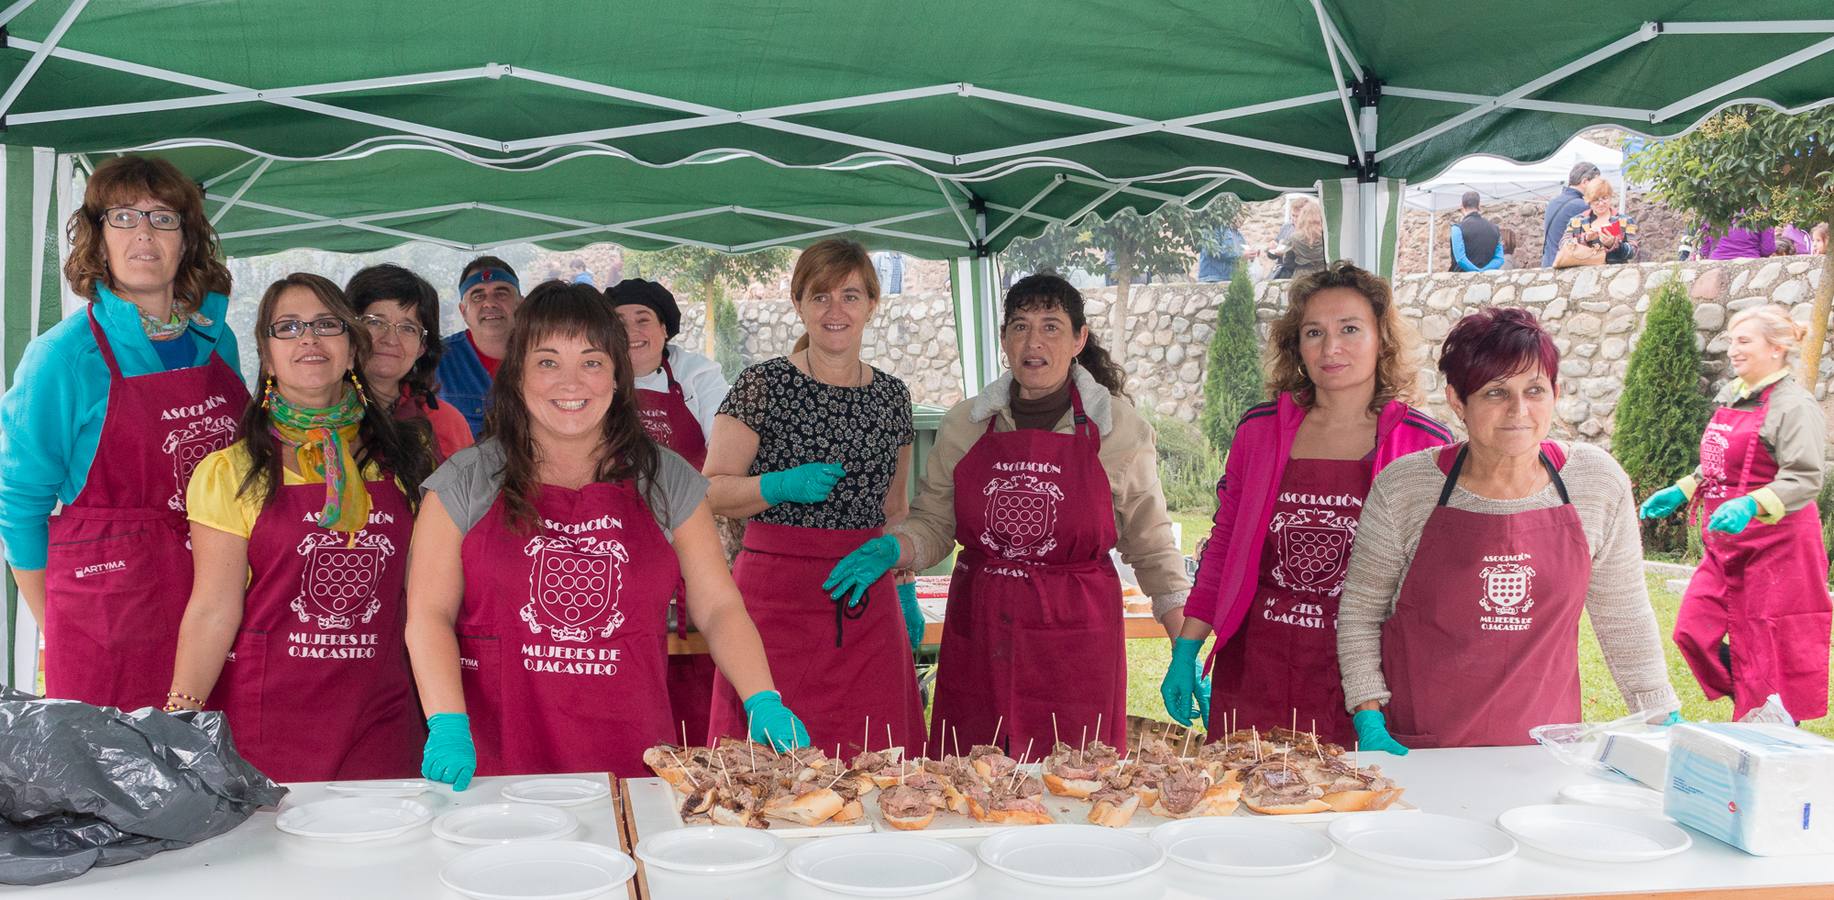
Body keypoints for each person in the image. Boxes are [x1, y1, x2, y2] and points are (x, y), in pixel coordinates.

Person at [405, 282, 805, 786]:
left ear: (617, 375)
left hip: (630, 755)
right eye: (548, 362)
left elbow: (718, 605)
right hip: (494, 759)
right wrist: (446, 723)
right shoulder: (463, 481)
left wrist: (762, 698)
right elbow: (427, 614)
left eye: (591, 362)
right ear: (518, 376)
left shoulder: (668, 478)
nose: (571, 383)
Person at [831, 274, 1191, 752]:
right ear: (1003, 340)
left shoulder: (1117, 429)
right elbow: (935, 524)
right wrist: (896, 547)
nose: (1033, 342)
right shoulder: (967, 423)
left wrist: (1182, 647)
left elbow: (1152, 546)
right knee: (973, 779)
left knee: (1075, 781)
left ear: (1079, 339)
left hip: (1075, 639)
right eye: (1020, 327)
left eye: (1051, 326)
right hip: (982, 633)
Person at [1338, 307, 1677, 752]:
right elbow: (1361, 613)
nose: (1519, 410)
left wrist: (1661, 714)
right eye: (1496, 393)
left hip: (1542, 748)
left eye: (1534, 390)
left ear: (1556, 393)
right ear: (1458, 401)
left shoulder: (1595, 483)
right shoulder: (1406, 487)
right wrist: (1368, 714)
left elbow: (1624, 615)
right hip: (1423, 747)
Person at [1161, 262, 1453, 745]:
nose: (1330, 347)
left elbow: (1434, 584)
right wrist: (1187, 650)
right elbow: (1225, 546)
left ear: (1382, 339)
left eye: (1350, 329)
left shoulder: (1422, 443)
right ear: (1296, 344)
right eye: (1314, 332)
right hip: (1258, 663)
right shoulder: (1259, 431)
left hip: (1363, 680)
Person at [0, 155, 246, 709]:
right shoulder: (62, 357)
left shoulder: (217, 342)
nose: (143, 234)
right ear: (97, 237)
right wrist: (63, 620)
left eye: (162, 218)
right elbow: (19, 504)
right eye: (123, 217)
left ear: (187, 240)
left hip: (218, 603)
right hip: (109, 618)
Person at [164, 274, 432, 781]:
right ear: (266, 356)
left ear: (353, 351)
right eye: (287, 327)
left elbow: (428, 595)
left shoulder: (408, 456)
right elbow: (212, 609)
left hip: (382, 714)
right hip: (268, 720)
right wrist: (179, 719)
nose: (308, 338)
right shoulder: (228, 470)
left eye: (326, 324)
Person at [703, 239, 923, 756]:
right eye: (819, 296)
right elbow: (711, 489)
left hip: (866, 596)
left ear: (872, 303)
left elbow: (895, 509)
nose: (835, 310)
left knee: (877, 756)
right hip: (773, 599)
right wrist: (777, 485)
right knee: (766, 768)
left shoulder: (893, 396)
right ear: (798, 304)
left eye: (850, 295)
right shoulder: (762, 386)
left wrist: (905, 588)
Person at [1640, 306, 1830, 722]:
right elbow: (1718, 462)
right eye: (1730, 339)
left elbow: (1805, 478)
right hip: (1725, 549)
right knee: (1692, 631)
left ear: (1777, 348)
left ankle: (1768, 726)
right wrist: (1682, 489)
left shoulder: (1794, 407)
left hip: (1777, 549)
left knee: (1765, 649)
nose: (1732, 349)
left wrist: (1751, 504)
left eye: (1743, 340)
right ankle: (1765, 707)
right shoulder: (1733, 395)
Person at [608, 276, 731, 745]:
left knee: (697, 679)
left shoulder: (697, 377)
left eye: (644, 319)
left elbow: (724, 446)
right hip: (619, 547)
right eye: (619, 322)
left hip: (690, 542)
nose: (632, 330)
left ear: (665, 329)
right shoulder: (594, 378)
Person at [346, 264, 474, 463]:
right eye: (375, 322)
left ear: (422, 346)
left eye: (408, 328)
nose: (390, 339)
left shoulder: (445, 421)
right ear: (349, 331)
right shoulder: (317, 415)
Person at [437, 256, 523, 436]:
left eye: (501, 293)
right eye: (478, 296)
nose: (490, 303)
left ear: (520, 304)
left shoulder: (545, 355)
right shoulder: (436, 359)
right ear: (463, 311)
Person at [1560, 179, 1638, 266]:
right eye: (1595, 199)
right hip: (1583, 273)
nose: (1601, 203)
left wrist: (1613, 244)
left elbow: (1633, 251)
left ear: (1610, 197)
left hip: (1615, 274)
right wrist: (1585, 238)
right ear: (1588, 200)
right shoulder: (1576, 222)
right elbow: (1563, 246)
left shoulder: (1624, 221)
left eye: (1605, 198)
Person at [1540, 162, 1600, 267]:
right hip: (1566, 266)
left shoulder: (1553, 202)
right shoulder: (1583, 206)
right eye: (1596, 184)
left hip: (1549, 263)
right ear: (1585, 182)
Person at [1449, 191, 1505, 272]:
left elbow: (1460, 259)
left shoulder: (1457, 229)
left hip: (1462, 279)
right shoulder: (1495, 228)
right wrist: (1483, 271)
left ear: (1461, 206)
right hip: (1487, 279)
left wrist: (1476, 271)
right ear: (1479, 205)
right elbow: (1499, 259)